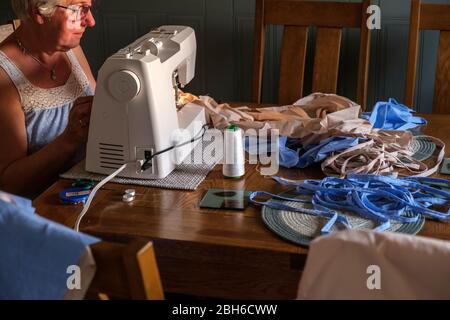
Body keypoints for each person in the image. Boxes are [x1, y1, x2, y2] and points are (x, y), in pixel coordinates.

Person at [0, 0, 97, 197]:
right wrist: (68, 140)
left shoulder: (69, 49)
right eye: (79, 9)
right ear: (40, 13)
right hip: (44, 209)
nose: (91, 20)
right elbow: (9, 184)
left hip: (89, 187)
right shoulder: (3, 77)